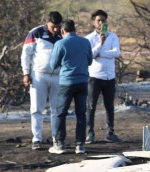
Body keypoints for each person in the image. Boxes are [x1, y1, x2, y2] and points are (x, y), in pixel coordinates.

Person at [48, 19, 93, 155]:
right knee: (81, 114)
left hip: (67, 82)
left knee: (60, 113)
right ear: (75, 29)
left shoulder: (60, 43)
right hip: (83, 81)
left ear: (62, 31)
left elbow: (53, 65)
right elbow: (90, 61)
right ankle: (80, 145)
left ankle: (60, 144)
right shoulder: (85, 42)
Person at [21, 11, 63, 150]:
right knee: (36, 109)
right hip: (39, 75)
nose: (56, 29)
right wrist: (26, 73)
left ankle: (56, 138)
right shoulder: (36, 32)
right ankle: (36, 139)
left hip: (58, 76)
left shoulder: (63, 33)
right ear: (47, 22)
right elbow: (26, 54)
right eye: (53, 26)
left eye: (58, 26)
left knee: (56, 109)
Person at [85, 9, 122, 144]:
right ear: (93, 22)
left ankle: (110, 133)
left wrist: (102, 52)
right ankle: (90, 133)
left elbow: (116, 53)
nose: (101, 23)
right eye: (98, 20)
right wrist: (100, 44)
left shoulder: (113, 36)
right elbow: (91, 55)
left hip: (109, 76)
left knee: (109, 106)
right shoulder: (89, 38)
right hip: (94, 76)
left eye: (103, 20)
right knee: (91, 106)